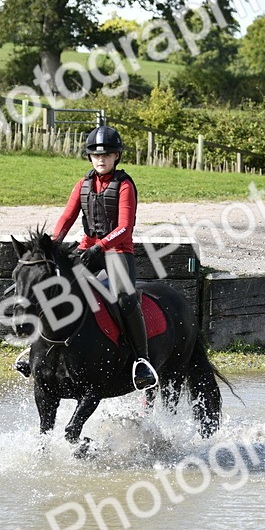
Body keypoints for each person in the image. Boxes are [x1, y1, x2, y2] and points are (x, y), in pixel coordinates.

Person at [14, 124, 159, 390]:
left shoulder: (125, 185)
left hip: (117, 253)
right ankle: (35, 349)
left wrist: (100, 246)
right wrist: (52, 245)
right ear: (90, 157)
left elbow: (125, 227)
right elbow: (66, 218)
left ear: (117, 157)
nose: (101, 159)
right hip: (86, 250)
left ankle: (141, 361)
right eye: (96, 155)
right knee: (55, 289)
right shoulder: (82, 184)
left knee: (125, 300)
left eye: (107, 155)